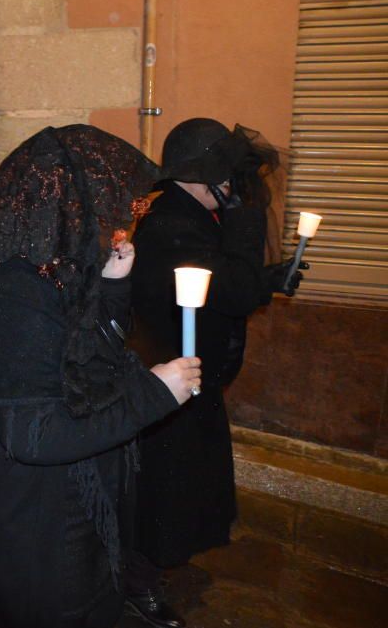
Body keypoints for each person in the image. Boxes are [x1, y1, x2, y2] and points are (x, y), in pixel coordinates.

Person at [0, 125, 202, 628]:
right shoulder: (8, 291)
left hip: (51, 500)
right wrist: (153, 394)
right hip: (21, 515)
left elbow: (88, 360)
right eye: (117, 208)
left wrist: (112, 285)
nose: (122, 223)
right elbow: (38, 434)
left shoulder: (49, 267)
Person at [124, 118, 305, 628]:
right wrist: (248, 238)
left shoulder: (178, 211)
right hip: (168, 376)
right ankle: (137, 579)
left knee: (182, 479)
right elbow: (233, 288)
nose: (233, 190)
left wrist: (271, 277)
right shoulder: (173, 224)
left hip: (185, 373)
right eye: (225, 181)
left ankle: (141, 566)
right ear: (204, 179)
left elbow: (225, 284)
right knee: (170, 484)